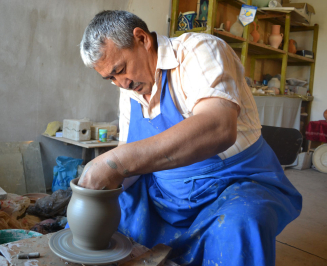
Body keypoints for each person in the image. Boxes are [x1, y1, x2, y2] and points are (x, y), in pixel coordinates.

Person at [78, 10, 301, 266]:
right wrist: (95, 190)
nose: (121, 83)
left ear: (142, 39)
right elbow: (130, 155)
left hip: (236, 182)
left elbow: (218, 127)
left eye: (120, 69)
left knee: (238, 225)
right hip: (167, 191)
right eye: (111, 78)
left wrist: (113, 162)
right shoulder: (130, 89)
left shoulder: (199, 50)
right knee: (116, 208)